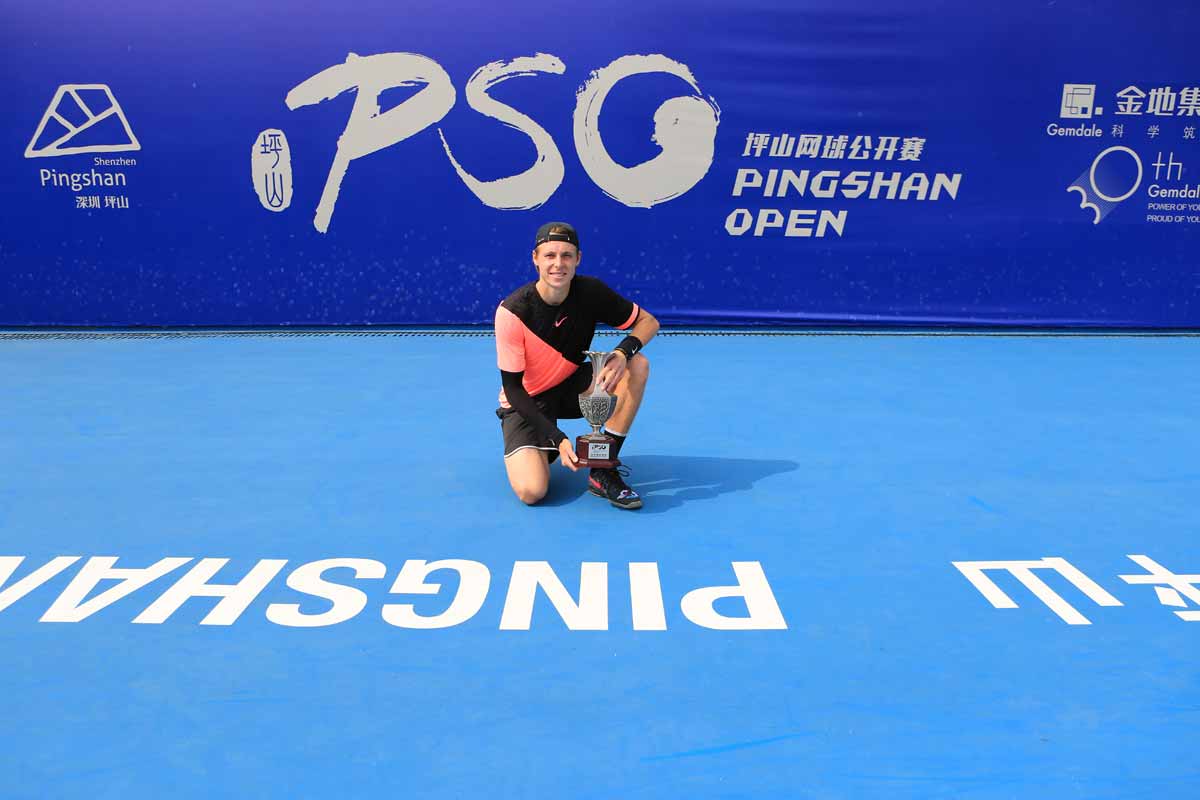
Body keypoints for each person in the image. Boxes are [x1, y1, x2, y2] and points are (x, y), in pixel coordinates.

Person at [495, 221, 658, 509]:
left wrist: (622, 353)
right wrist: (558, 438)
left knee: (637, 365)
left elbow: (649, 322)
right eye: (550, 255)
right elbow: (513, 389)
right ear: (535, 259)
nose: (558, 264)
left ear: (578, 259)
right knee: (532, 491)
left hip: (571, 388)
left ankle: (603, 469)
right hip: (527, 401)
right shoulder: (513, 311)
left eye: (567, 255)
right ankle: (540, 448)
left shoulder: (591, 292)